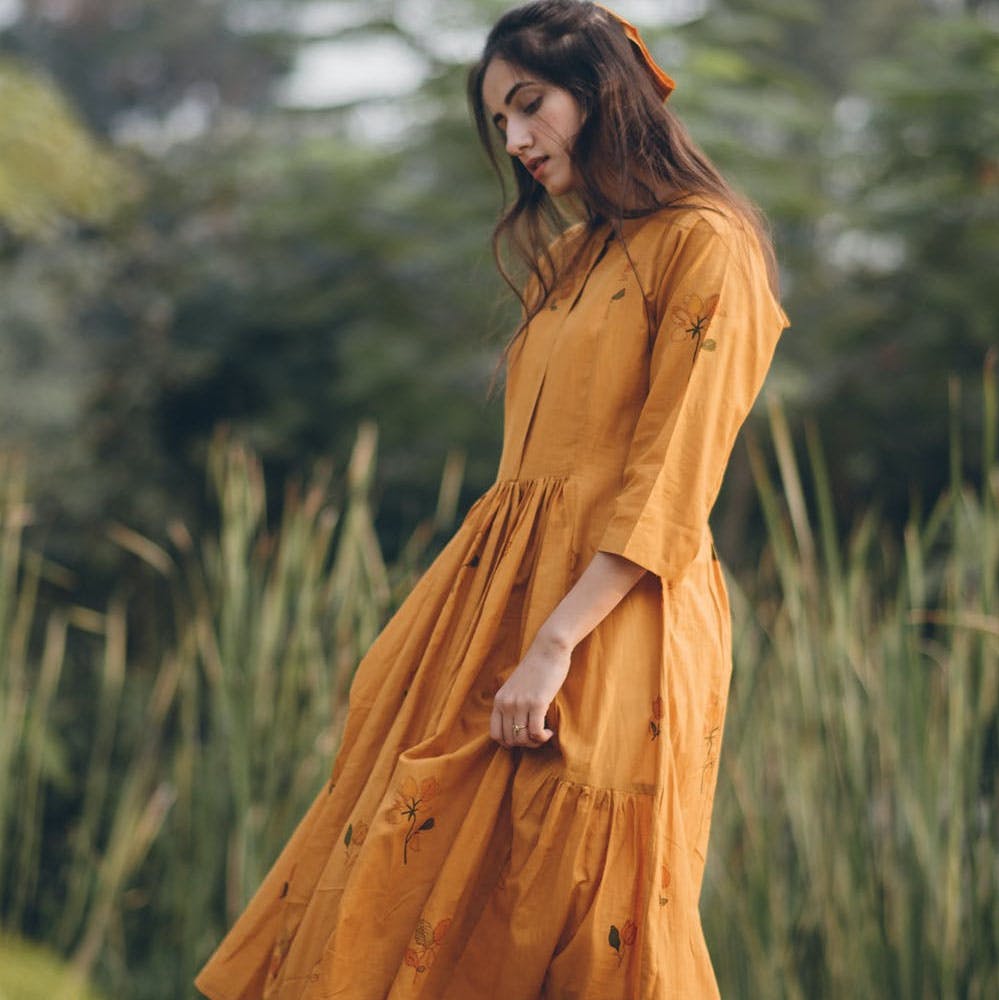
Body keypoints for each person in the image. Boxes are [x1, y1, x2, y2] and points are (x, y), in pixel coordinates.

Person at [194, 1, 789, 997]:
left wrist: (556, 644)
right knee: (414, 870)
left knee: (573, 891)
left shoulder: (707, 245)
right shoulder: (569, 259)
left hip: (610, 619)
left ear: (601, 92)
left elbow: (673, 478)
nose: (514, 141)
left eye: (528, 106)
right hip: (491, 604)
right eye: (498, 122)